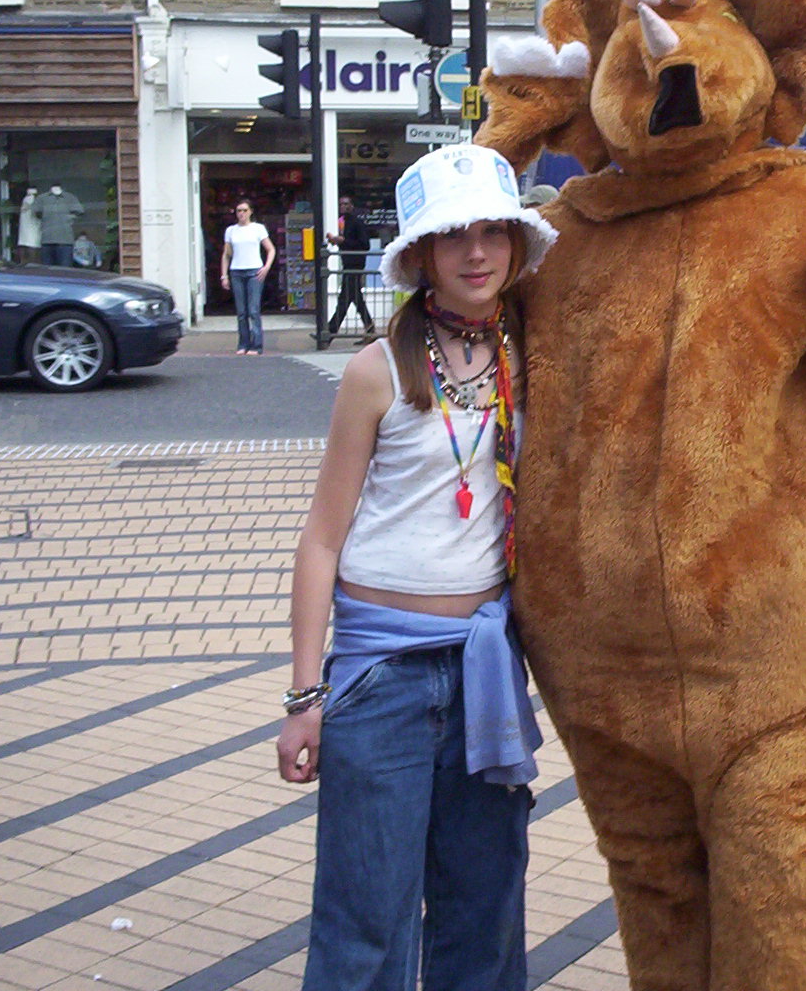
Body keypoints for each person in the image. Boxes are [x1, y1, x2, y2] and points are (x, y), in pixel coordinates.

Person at [276, 144, 556, 991]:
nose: (476, 253)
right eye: (453, 236)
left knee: (485, 914)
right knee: (366, 922)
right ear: (422, 255)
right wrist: (304, 698)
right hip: (380, 679)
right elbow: (321, 538)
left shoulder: (532, 360)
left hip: (484, 673)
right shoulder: (377, 371)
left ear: (515, 244)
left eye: (492, 233)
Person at [221, 201, 275, 355]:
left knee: (253, 310)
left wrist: (266, 267)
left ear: (251, 211)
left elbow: (270, 249)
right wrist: (224, 275)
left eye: (244, 210)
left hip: (254, 271)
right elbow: (226, 254)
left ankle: (256, 345)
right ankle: (243, 344)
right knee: (241, 312)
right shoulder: (231, 230)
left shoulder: (258, 228)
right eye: (239, 210)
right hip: (236, 271)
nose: (241, 214)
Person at [327, 194, 375, 341]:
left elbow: (364, 245)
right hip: (347, 264)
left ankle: (329, 332)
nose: (343, 207)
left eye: (346, 204)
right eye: (341, 204)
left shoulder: (357, 223)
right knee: (355, 298)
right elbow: (345, 242)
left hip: (355, 265)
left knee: (345, 299)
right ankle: (370, 328)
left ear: (352, 206)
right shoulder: (342, 222)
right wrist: (336, 241)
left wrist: (343, 241)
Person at [34, 185, 85, 266]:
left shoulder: (70, 197)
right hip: (47, 240)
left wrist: (69, 218)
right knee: (47, 270)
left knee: (65, 270)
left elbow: (80, 212)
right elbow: (37, 213)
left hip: (65, 241)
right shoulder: (42, 198)